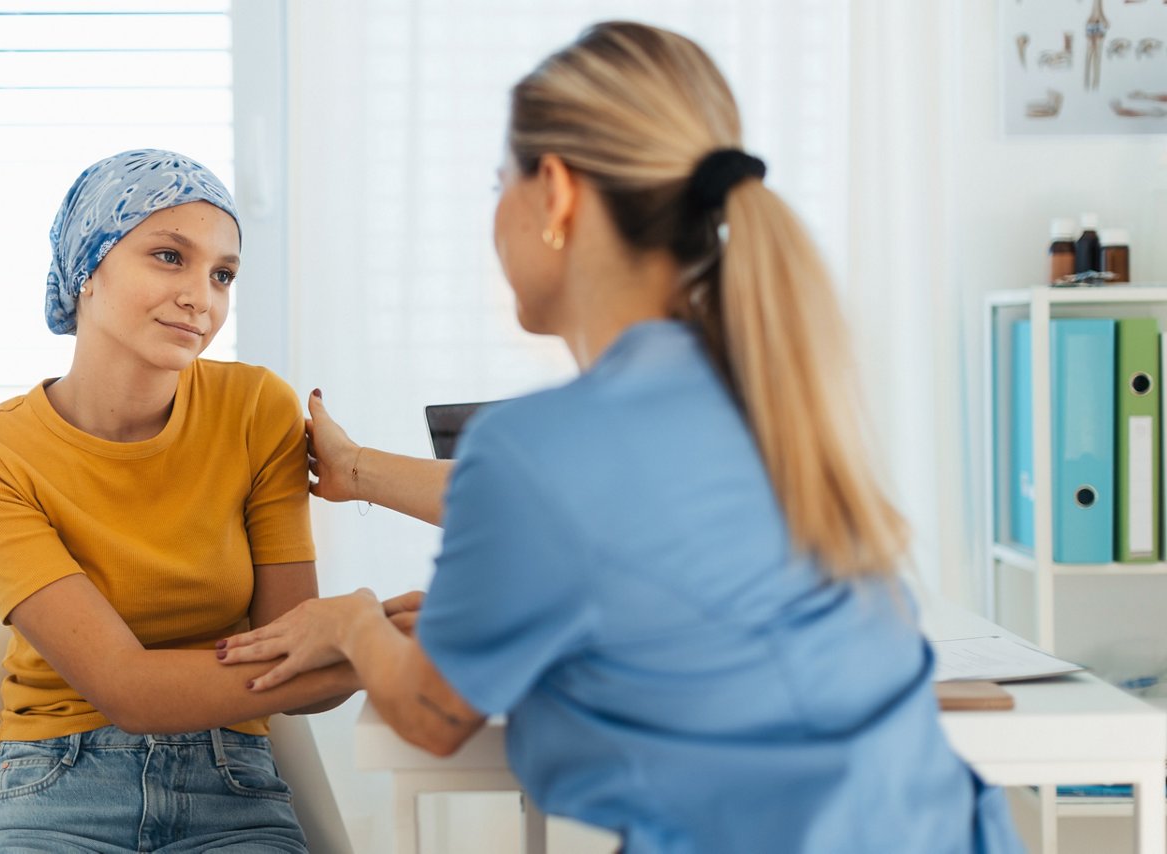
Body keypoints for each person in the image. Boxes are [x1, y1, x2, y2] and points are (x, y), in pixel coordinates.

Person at [218, 22, 1023, 854]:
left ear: (557, 192)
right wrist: (361, 476)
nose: (494, 213)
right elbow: (612, 524)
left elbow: (430, 713)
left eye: (500, 180)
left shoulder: (536, 446)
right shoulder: (773, 392)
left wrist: (354, 622)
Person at [0, 149, 359, 853]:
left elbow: (301, 667)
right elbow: (128, 690)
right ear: (87, 270)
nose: (202, 297)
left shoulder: (257, 411)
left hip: (233, 787)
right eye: (169, 256)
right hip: (53, 791)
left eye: (223, 274)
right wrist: (367, 643)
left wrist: (347, 645)